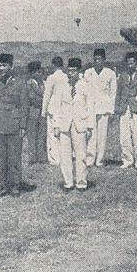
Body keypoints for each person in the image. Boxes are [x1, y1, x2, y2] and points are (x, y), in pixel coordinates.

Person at [0, 53, 36, 197]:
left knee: (14, 157)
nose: (1, 69)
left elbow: (24, 105)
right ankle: (2, 186)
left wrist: (23, 126)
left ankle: (15, 185)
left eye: (4, 65)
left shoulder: (20, 84)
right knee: (0, 158)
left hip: (14, 125)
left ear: (11, 67)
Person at [50, 58, 94, 192]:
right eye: (69, 71)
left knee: (81, 155)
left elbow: (90, 107)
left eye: (74, 71)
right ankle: (68, 182)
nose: (71, 74)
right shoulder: (62, 86)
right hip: (64, 124)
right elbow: (56, 106)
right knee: (65, 155)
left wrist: (89, 127)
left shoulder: (85, 86)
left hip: (80, 125)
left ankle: (81, 182)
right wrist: (56, 125)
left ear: (79, 71)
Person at [84, 48, 117, 167]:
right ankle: (90, 159)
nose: (97, 61)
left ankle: (100, 160)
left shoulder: (110, 73)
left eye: (99, 59)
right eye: (95, 59)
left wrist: (111, 110)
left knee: (102, 136)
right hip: (91, 108)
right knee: (91, 134)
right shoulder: (88, 73)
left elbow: (113, 93)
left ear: (104, 60)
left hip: (104, 108)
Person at [115, 51, 137, 168]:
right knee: (124, 135)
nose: (130, 65)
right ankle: (127, 160)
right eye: (128, 63)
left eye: (132, 63)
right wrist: (117, 109)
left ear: (136, 64)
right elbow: (118, 94)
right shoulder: (122, 77)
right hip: (124, 108)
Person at [42, 56, 67, 165]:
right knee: (63, 133)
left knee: (52, 135)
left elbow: (47, 95)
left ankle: (54, 158)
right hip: (64, 108)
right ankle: (64, 156)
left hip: (53, 108)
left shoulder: (51, 78)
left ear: (53, 65)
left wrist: (43, 111)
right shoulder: (66, 77)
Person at [26, 61, 48, 164]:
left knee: (42, 135)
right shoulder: (29, 84)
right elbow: (32, 98)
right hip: (32, 112)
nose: (40, 73)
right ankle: (32, 158)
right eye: (37, 71)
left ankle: (41, 157)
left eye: (40, 71)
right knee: (32, 136)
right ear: (32, 73)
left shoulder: (44, 83)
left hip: (42, 113)